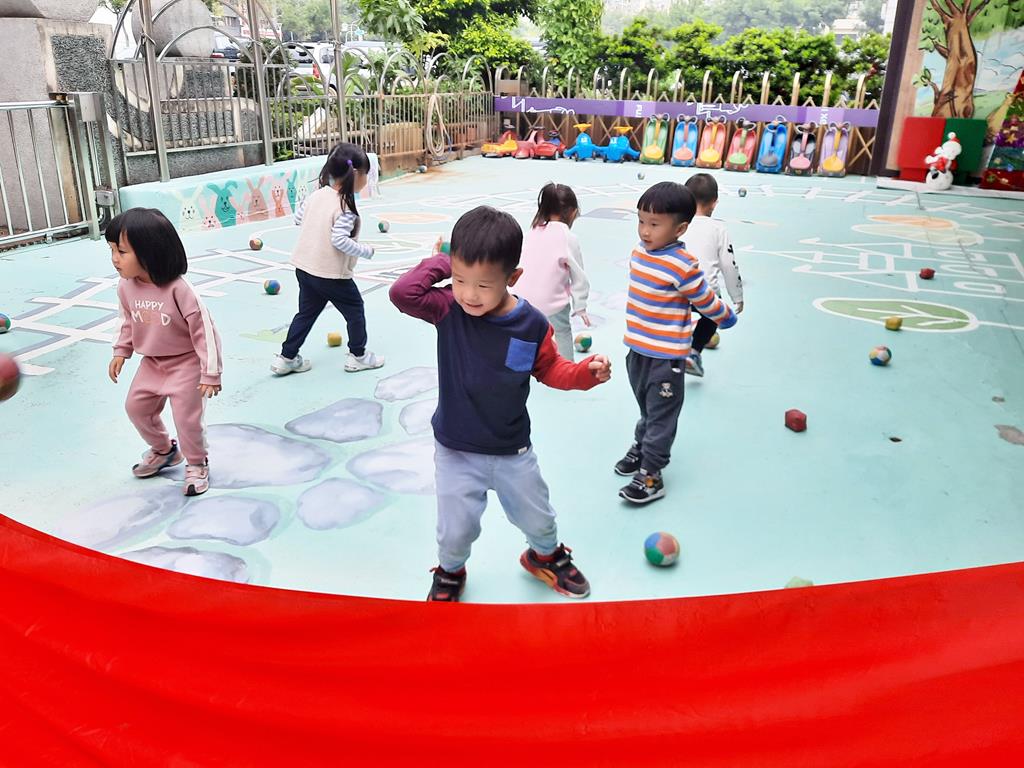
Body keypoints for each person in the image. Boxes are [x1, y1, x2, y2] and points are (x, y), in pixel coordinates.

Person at [389, 206, 612, 602]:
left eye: (483, 285)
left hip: (512, 450)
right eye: (460, 280)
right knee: (455, 529)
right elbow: (402, 293)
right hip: (456, 449)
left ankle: (545, 556)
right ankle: (450, 571)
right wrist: (447, 259)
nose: (469, 294)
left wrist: (583, 374)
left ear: (513, 278)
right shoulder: (449, 309)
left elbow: (551, 369)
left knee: (538, 516)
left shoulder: (531, 324)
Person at [615, 182, 736, 504]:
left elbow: (704, 300)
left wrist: (725, 316)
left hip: (666, 358)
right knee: (647, 408)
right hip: (637, 351)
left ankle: (651, 474)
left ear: (680, 228)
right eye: (641, 221)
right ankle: (642, 446)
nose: (645, 231)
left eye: (655, 224)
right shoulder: (639, 253)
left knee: (662, 415)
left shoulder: (683, 264)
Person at [107, 208, 223, 497]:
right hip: (152, 363)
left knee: (187, 420)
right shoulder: (126, 287)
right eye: (111, 250)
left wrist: (210, 372)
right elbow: (127, 321)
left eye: (121, 251)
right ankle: (164, 450)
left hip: (187, 364)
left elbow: (204, 330)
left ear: (149, 252)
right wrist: (121, 350)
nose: (114, 259)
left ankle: (197, 463)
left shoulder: (179, 290)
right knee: (136, 408)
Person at [271, 142, 384, 376]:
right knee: (355, 310)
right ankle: (358, 356)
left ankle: (286, 357)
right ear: (356, 175)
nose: (366, 180)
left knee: (306, 313)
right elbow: (339, 240)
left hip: (305, 269)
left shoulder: (317, 195)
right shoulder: (345, 207)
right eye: (366, 174)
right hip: (331, 275)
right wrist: (365, 250)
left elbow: (298, 218)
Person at [514, 182, 590, 359]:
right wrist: (580, 307)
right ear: (572, 212)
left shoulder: (530, 233)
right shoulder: (568, 237)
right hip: (551, 306)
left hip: (521, 303)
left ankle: (518, 366)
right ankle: (567, 366)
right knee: (562, 332)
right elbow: (579, 277)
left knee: (524, 337)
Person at [682, 173, 744, 377]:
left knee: (673, 313)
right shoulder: (718, 228)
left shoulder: (678, 223)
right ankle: (694, 351)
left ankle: (666, 348)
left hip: (675, 288)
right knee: (713, 314)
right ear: (714, 203)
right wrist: (737, 296)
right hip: (703, 290)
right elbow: (728, 264)